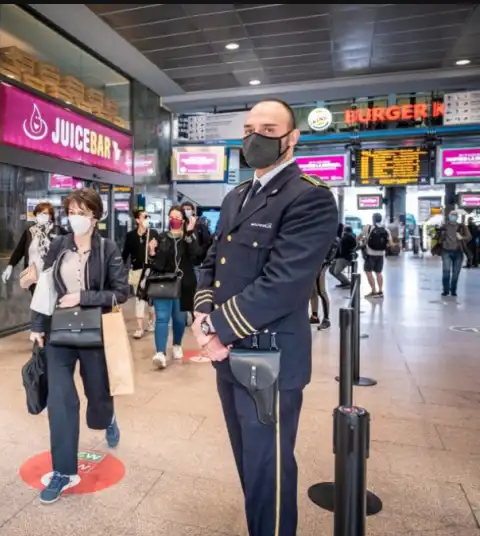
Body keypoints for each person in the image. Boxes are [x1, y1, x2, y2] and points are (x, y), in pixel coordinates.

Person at [190, 99, 338, 536]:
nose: (255, 137)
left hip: (269, 359)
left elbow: (285, 283)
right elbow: (212, 263)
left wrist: (217, 328)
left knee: (268, 468)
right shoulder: (237, 195)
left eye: (269, 130)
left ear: (292, 139)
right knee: (247, 460)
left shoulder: (309, 197)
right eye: (250, 128)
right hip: (227, 355)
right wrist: (202, 314)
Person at [29, 188, 129, 505]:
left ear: (95, 217)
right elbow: (45, 287)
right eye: (71, 210)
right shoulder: (59, 245)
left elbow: (121, 292)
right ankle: (63, 471)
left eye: (82, 212)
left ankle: (108, 418)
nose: (75, 217)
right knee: (61, 399)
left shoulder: (108, 249)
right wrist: (36, 327)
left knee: (97, 396)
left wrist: (84, 297)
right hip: (59, 332)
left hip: (93, 333)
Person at [147, 205, 203, 369]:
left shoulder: (188, 237)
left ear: (183, 220)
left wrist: (190, 233)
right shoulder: (162, 237)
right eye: (171, 217)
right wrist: (152, 252)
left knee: (179, 319)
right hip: (164, 283)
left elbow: (196, 255)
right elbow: (156, 264)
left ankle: (177, 344)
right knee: (162, 318)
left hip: (183, 284)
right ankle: (160, 353)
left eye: (177, 217)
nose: (174, 220)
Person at [2, 201, 66, 294]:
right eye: (39, 213)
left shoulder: (58, 231)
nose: (41, 215)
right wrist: (10, 266)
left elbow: (70, 247)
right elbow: (19, 251)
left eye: (45, 213)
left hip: (52, 277)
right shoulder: (30, 231)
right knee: (37, 305)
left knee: (52, 306)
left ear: (51, 216)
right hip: (34, 277)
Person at [120, 209, 158, 338]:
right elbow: (125, 253)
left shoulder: (153, 234)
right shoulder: (131, 236)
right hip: (137, 271)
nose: (147, 219)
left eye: (148, 216)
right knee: (139, 298)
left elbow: (159, 254)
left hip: (151, 271)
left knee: (151, 300)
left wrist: (152, 249)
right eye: (144, 216)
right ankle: (139, 328)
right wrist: (120, 268)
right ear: (137, 220)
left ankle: (152, 322)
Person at [358, 213, 393, 299]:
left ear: (373, 219)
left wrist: (360, 243)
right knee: (379, 273)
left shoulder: (368, 228)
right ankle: (380, 291)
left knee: (368, 271)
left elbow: (359, 237)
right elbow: (390, 243)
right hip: (381, 254)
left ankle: (373, 290)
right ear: (380, 219)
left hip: (370, 254)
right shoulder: (386, 229)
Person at [437, 210, 471, 297]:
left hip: (458, 252)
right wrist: (440, 234)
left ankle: (453, 290)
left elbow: (469, 237)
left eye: (455, 216)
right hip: (446, 251)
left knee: (456, 273)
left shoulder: (461, 226)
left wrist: (461, 237)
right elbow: (437, 238)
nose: (453, 217)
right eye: (452, 215)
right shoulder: (444, 226)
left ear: (457, 217)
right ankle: (445, 290)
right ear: (449, 216)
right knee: (446, 271)